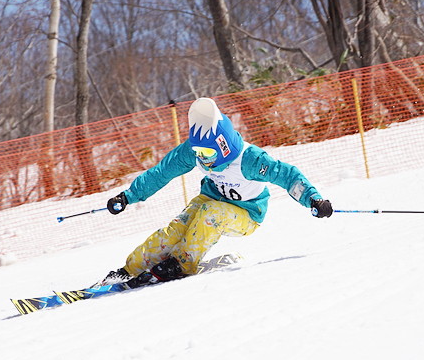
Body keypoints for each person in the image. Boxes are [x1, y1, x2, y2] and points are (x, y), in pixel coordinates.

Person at [102, 97, 333, 288]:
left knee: (210, 214)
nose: (203, 158)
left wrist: (314, 199)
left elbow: (287, 175)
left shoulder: (250, 160)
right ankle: (130, 269)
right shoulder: (195, 152)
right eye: (199, 152)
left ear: (224, 147)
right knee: (177, 228)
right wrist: (128, 196)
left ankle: (182, 264)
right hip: (209, 199)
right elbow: (163, 172)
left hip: (247, 213)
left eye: (208, 153)